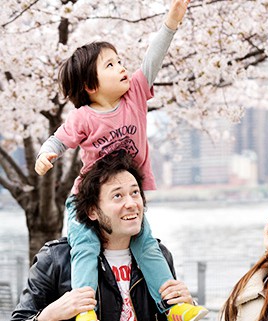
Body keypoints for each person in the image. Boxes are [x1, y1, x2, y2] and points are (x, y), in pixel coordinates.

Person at [33, 1, 207, 320]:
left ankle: (174, 307)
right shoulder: (83, 117)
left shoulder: (136, 95)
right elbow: (60, 138)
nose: (121, 67)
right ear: (90, 86)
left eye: (119, 61)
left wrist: (171, 22)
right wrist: (47, 153)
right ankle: (85, 311)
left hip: (123, 194)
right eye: (110, 66)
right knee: (84, 248)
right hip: (86, 199)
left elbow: (153, 57)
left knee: (148, 248)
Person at [12, 151, 207, 321]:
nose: (131, 203)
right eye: (117, 196)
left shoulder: (160, 256)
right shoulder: (55, 259)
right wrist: (48, 316)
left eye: (135, 192)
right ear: (92, 211)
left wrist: (185, 302)